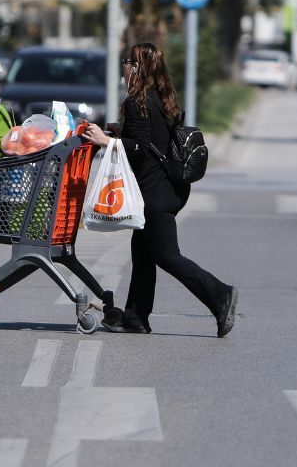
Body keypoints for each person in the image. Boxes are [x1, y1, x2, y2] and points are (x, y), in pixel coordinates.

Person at [80, 42, 238, 338]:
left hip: (155, 194)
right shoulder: (160, 99)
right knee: (142, 254)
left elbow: (139, 148)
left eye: (127, 62)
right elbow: (150, 137)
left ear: (137, 68)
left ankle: (220, 295)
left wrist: (106, 141)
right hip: (166, 189)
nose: (123, 67)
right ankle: (136, 317)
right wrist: (118, 131)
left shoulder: (136, 103)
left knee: (166, 255)